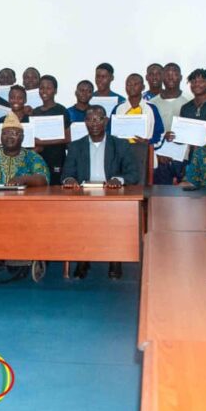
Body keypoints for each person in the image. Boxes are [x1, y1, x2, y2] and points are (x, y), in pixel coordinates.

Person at [61, 105, 140, 280]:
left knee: (116, 215)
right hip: (83, 195)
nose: (94, 123)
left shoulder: (120, 145)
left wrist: (117, 180)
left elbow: (133, 174)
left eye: (98, 119)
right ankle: (83, 258)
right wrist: (69, 180)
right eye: (89, 119)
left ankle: (115, 259)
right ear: (85, 122)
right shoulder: (76, 146)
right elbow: (66, 174)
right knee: (76, 216)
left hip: (112, 194)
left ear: (106, 120)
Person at [0, 113, 49, 187]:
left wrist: (23, 179)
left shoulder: (32, 157)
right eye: (5, 133)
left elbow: (43, 179)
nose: (9, 137)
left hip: (23, 201)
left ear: (22, 137)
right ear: (0, 137)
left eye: (13, 133)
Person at [150, 63, 189, 185]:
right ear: (161, 77)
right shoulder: (152, 104)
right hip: (160, 159)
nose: (171, 77)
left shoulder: (190, 100)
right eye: (167, 74)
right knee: (161, 199)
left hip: (185, 158)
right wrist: (157, 155)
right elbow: (149, 133)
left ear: (181, 77)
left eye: (175, 74)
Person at [29, 75, 70, 185]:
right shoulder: (35, 112)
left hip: (56, 158)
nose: (44, 91)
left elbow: (68, 137)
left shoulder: (61, 110)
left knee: (56, 188)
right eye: (41, 88)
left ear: (55, 91)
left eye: (48, 88)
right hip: (38, 159)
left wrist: (43, 143)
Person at [113, 73, 164, 145]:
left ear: (143, 87)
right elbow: (110, 133)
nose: (131, 87)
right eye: (128, 84)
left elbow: (159, 133)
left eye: (135, 84)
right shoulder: (118, 108)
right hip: (121, 152)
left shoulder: (151, 108)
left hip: (144, 151)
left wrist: (148, 142)